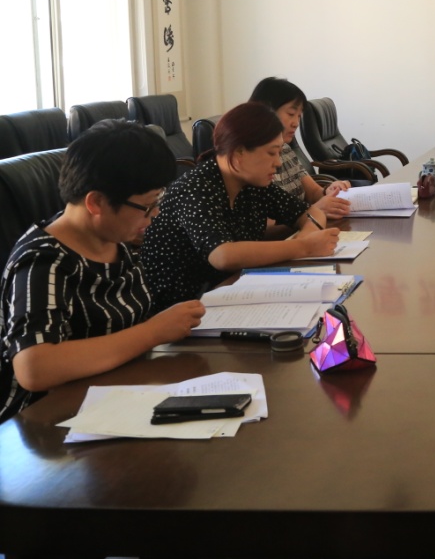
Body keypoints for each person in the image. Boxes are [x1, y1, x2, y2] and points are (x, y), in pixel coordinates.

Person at [1, 120, 206, 423]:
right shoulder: (44, 262)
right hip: (48, 423)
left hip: (116, 397)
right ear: (96, 202)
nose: (155, 215)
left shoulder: (115, 240)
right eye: (147, 206)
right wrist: (153, 332)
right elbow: (34, 368)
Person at [140, 101, 341, 305]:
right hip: (180, 306)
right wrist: (302, 247)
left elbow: (312, 212)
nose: (278, 162)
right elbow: (222, 255)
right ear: (238, 154)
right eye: (271, 153)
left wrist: (306, 237)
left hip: (230, 290)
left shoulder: (252, 183)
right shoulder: (197, 187)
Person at [249, 76, 352, 219]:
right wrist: (312, 212)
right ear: (266, 111)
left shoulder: (285, 148)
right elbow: (263, 224)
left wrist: (329, 191)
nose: (296, 123)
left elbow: (313, 193)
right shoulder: (250, 160)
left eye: (299, 116)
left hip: (306, 226)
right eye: (291, 114)